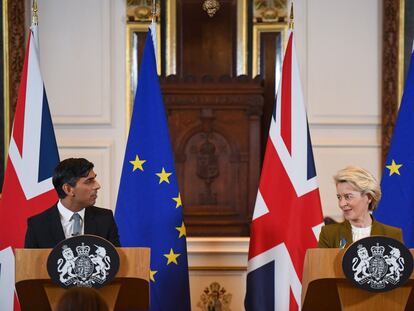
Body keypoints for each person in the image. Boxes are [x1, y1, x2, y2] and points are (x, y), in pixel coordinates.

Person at [25, 158, 120, 248]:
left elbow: (116, 260)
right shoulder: (37, 225)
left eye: (94, 179)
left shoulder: (105, 218)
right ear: (68, 189)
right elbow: (30, 263)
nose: (97, 186)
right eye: (89, 181)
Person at [318, 166, 403, 248]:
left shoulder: (392, 235)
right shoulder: (329, 234)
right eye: (339, 197)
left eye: (348, 196)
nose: (341, 204)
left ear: (369, 197)